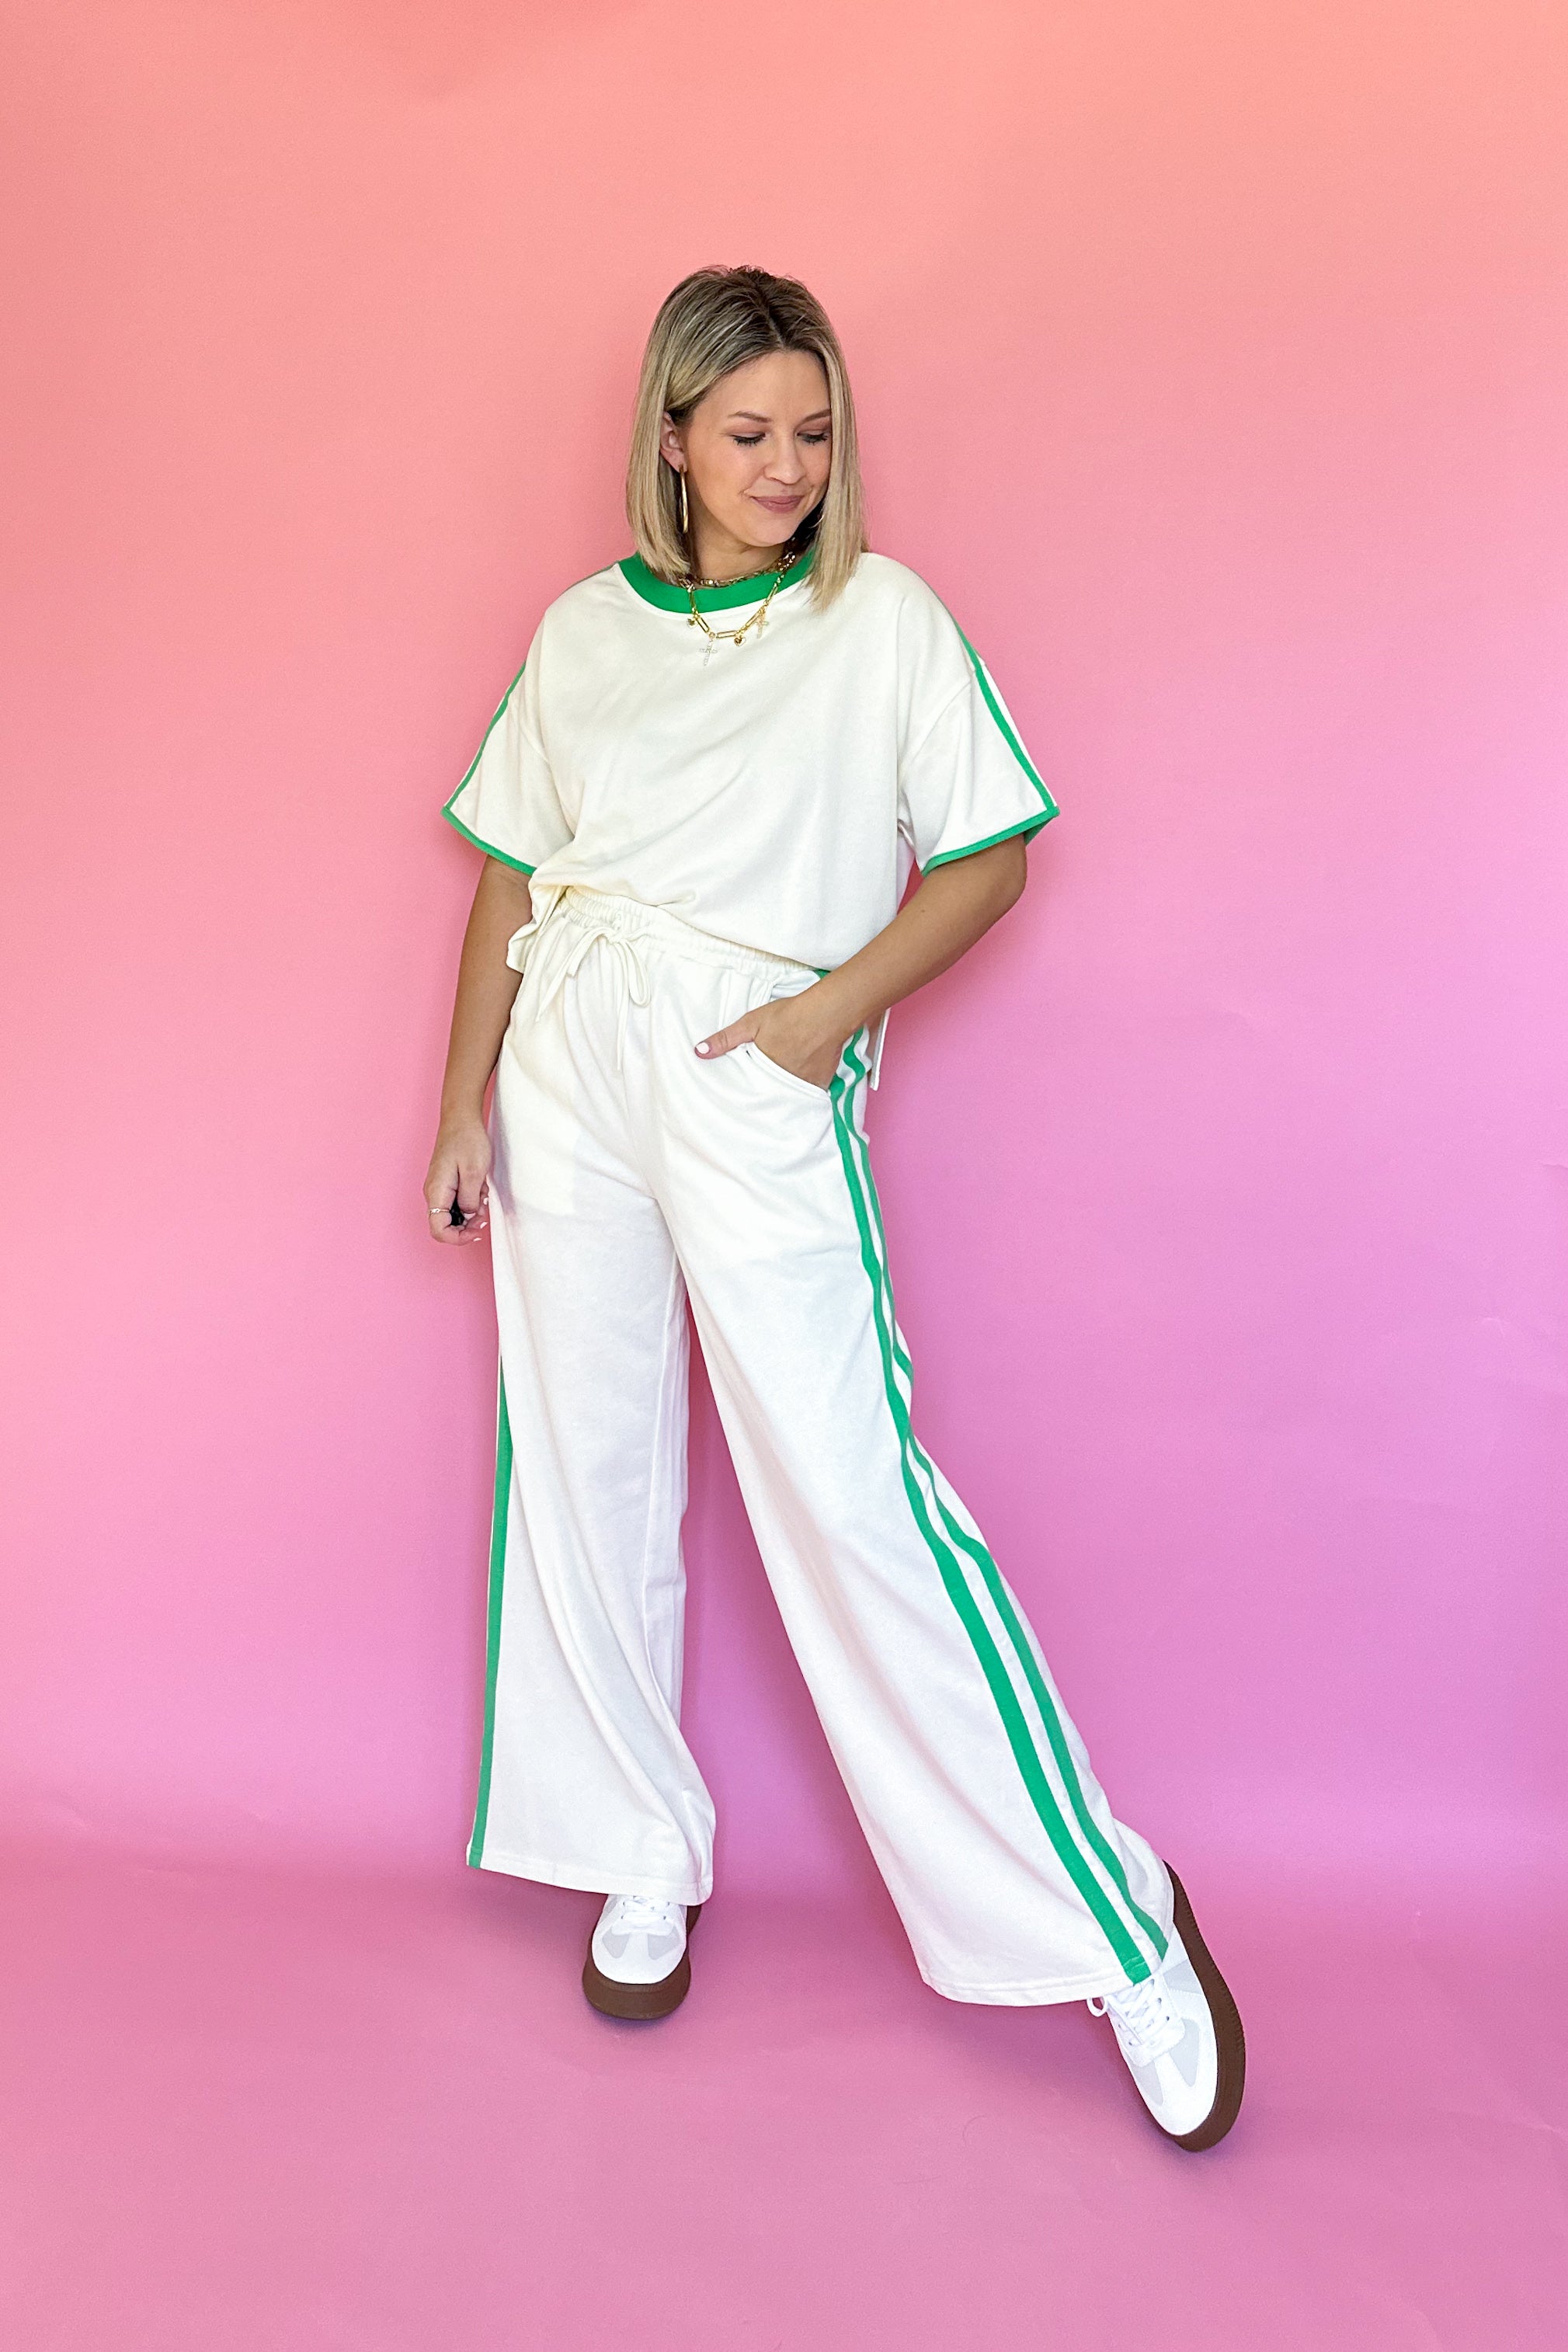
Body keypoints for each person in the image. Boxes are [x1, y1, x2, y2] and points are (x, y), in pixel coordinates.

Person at [424, 266, 1244, 2150]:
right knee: (584, 1464)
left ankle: (1108, 1920)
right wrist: (464, 1098)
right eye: (745, 432)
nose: (784, 465)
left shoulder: (880, 620)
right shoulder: (579, 633)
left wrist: (816, 1023)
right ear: (671, 437)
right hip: (569, 1061)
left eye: (809, 430)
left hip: (748, 1060)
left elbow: (989, 856)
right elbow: (508, 873)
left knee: (846, 1488)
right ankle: (638, 1843)